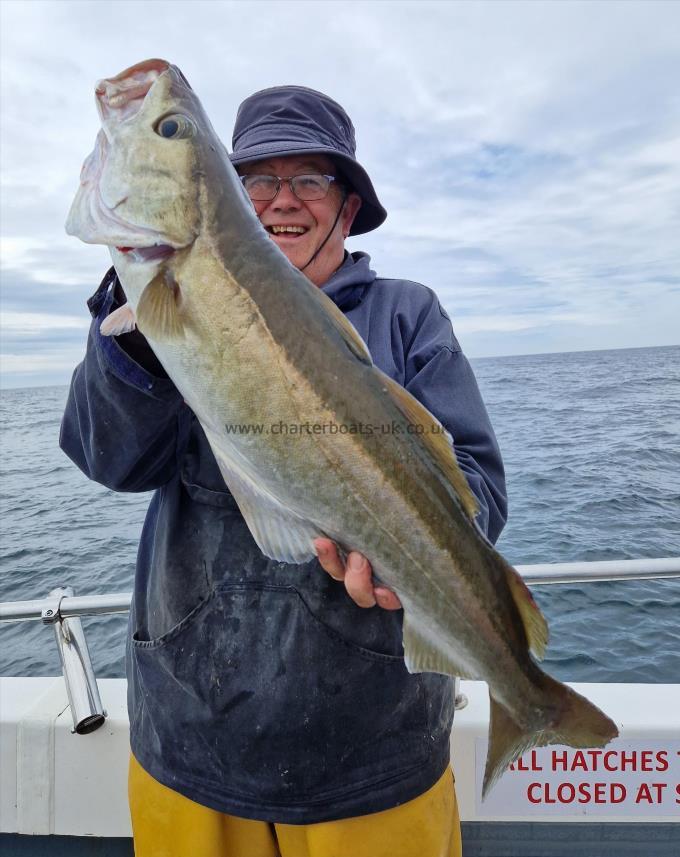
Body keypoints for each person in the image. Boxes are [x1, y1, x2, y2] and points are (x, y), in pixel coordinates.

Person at [60, 85, 507, 857]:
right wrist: (134, 330)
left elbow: (479, 492)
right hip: (189, 740)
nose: (283, 200)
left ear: (348, 203)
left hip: (374, 753)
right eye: (258, 178)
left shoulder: (407, 315)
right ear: (227, 193)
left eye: (311, 179)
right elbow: (109, 458)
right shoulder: (153, 310)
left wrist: (414, 561)